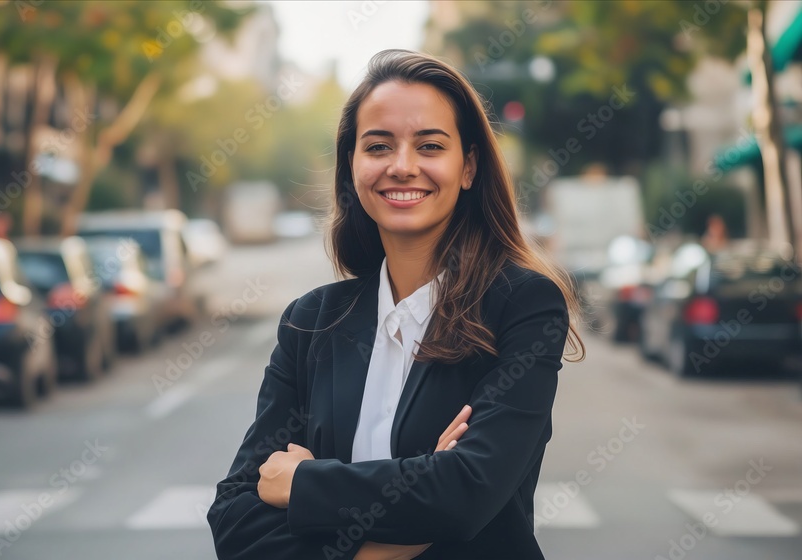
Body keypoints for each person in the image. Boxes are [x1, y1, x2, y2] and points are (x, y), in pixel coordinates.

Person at [207, 49, 586, 560]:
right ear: (352, 167)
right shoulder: (310, 323)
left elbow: (465, 494)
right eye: (378, 146)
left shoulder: (522, 307)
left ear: (468, 166)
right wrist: (404, 516)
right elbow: (233, 518)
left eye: (430, 145)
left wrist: (302, 482)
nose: (403, 167)